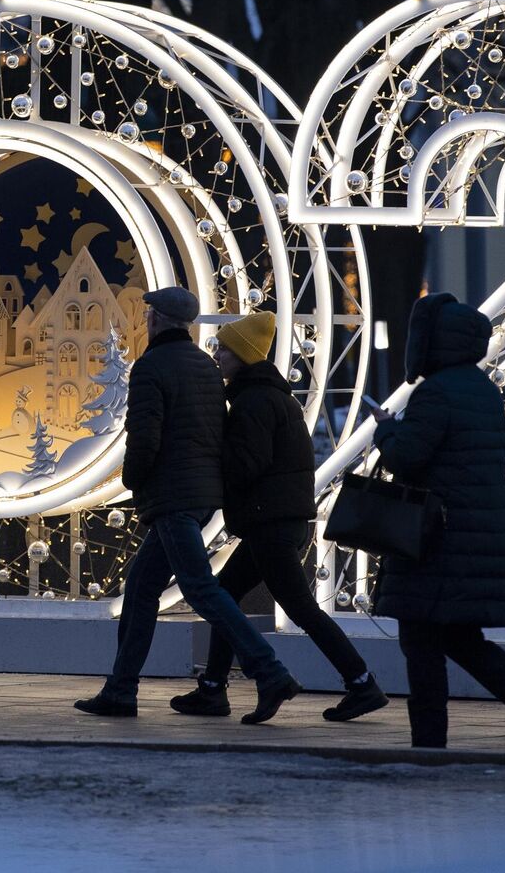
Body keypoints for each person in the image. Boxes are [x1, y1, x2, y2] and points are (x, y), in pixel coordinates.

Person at [75, 287, 304, 724]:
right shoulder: (205, 367)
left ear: (157, 320)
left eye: (148, 314)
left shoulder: (150, 368)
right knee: (142, 589)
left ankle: (270, 671)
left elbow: (145, 436)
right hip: (200, 497)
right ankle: (120, 691)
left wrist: (132, 479)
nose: (145, 320)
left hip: (171, 496)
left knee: (199, 588)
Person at [372, 292, 505, 751]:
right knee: (460, 641)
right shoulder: (480, 389)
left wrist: (385, 428)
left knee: (423, 644)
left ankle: (431, 741)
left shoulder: (437, 391)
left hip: (435, 541)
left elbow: (408, 457)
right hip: (466, 534)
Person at [168, 310, 389, 723]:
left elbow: (246, 463)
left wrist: (208, 456)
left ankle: (361, 683)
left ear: (244, 356)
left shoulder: (254, 401)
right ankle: (213, 689)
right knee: (227, 595)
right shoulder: (269, 395)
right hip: (274, 520)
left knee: (299, 608)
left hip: (270, 522)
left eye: (224, 350)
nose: (216, 356)